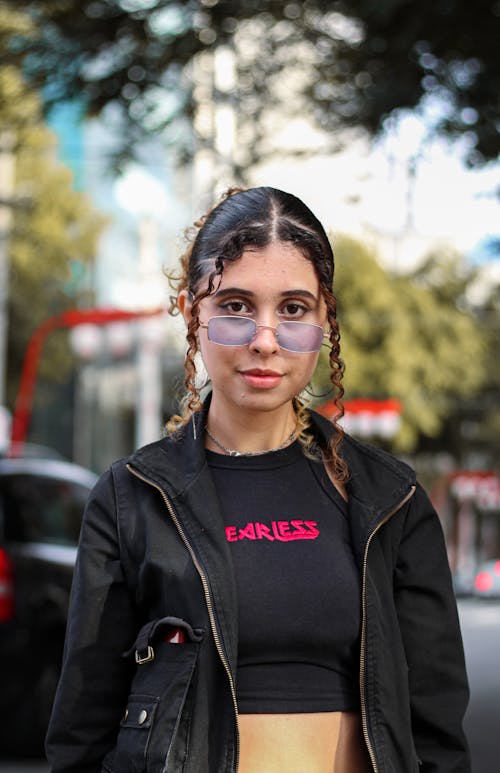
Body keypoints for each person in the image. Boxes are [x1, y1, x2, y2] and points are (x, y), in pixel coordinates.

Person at [46, 186, 470, 773]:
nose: (264, 340)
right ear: (193, 313)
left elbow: (437, 725)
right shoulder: (133, 497)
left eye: (293, 310)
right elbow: (82, 728)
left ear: (325, 320)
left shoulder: (389, 498)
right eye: (236, 307)